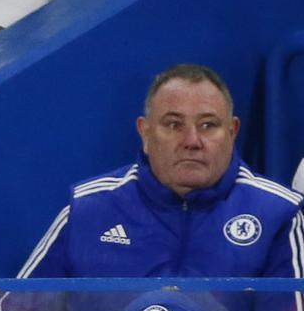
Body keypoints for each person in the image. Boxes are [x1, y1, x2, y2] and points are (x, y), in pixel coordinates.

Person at [20, 63, 303, 279]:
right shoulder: (87, 209)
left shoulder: (278, 215)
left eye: (208, 125)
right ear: (144, 133)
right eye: (173, 124)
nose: (192, 141)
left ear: (232, 131)